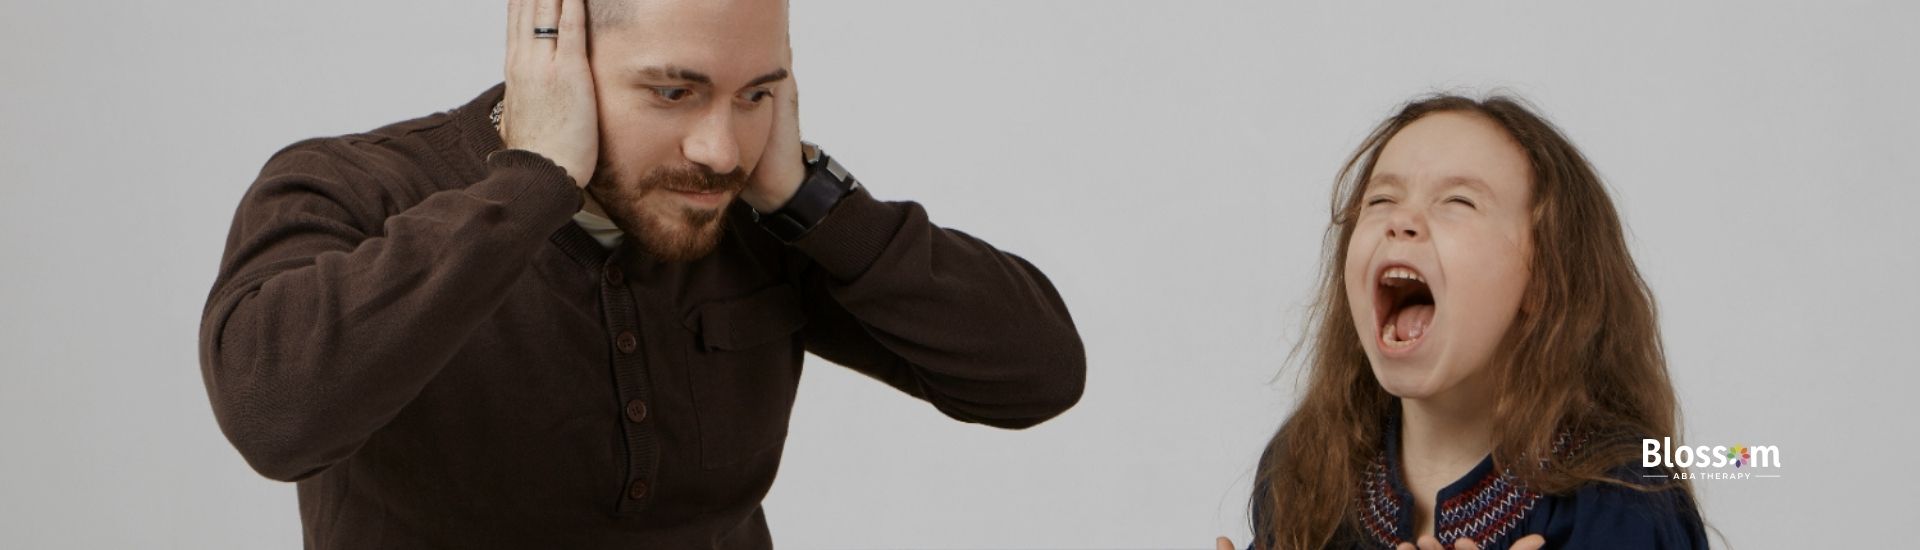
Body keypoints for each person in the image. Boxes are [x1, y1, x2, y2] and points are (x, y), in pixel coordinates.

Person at [195, 0, 1085, 547]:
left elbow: (1036, 374)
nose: (721, 147)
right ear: (555, 60)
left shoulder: (755, 212)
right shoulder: (352, 186)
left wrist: (816, 198)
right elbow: (275, 415)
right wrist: (534, 183)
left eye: (756, 94)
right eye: (675, 92)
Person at [1216, 95, 1707, 550]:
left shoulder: (1625, 491)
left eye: (1458, 202)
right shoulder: (1303, 467)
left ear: (1544, 281)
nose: (1401, 220)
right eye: (1381, 200)